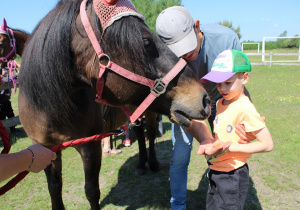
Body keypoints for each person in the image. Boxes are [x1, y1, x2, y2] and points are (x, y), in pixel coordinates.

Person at [156, 6, 252, 209]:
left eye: (188, 47)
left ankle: (221, 197)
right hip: (186, 104)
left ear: (196, 26)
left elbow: (238, 84)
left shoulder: (227, 40)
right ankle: (178, 205)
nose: (186, 56)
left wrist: (244, 114)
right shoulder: (164, 56)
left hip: (219, 101)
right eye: (178, 52)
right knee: (180, 155)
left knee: (224, 152)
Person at [198, 49, 273, 209]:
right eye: (218, 83)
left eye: (228, 82)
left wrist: (229, 148)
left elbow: (267, 144)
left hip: (233, 174)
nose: (222, 88)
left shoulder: (245, 107)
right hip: (216, 169)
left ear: (244, 78)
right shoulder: (219, 103)